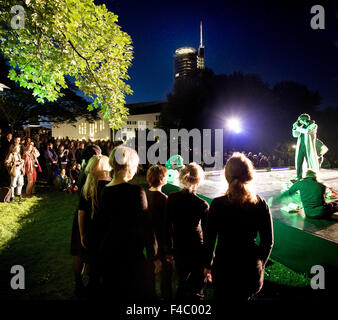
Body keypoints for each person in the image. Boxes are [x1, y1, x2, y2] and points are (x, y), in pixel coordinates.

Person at [204, 153, 274, 302]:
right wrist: (260, 264)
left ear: (227, 175)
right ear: (249, 175)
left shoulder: (217, 204)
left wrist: (207, 265)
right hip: (249, 269)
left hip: (224, 269)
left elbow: (209, 240)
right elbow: (268, 242)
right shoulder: (260, 203)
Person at [98, 146, 157, 302]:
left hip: (109, 252)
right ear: (130, 165)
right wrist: (154, 255)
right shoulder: (136, 191)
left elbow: (103, 224)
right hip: (130, 255)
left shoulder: (105, 191)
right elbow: (147, 226)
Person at [70, 155, 111, 297]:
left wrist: (81, 233)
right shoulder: (108, 186)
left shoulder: (88, 185)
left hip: (85, 225)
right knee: (93, 257)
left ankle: (83, 285)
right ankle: (94, 284)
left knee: (83, 255)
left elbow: (81, 212)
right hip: (97, 227)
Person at [166, 162, 209, 301]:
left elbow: (167, 225)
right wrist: (209, 261)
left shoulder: (172, 198)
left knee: (182, 282)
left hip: (179, 246)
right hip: (196, 247)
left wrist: (169, 249)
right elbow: (208, 235)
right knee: (196, 288)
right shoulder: (201, 204)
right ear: (198, 180)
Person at [145, 164, 172, 300]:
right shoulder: (163, 198)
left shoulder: (145, 194)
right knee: (165, 273)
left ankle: (151, 295)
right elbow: (166, 225)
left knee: (151, 270)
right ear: (162, 178)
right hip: (161, 240)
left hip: (149, 239)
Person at [268, 169, 338, 220]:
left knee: (333, 204)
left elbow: (288, 193)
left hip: (309, 214)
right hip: (322, 212)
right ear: (315, 177)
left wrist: (274, 199)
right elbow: (321, 199)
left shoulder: (300, 183)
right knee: (334, 203)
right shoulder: (321, 185)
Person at [292, 114, 319, 180]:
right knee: (298, 163)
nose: (300, 122)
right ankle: (299, 176)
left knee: (310, 163)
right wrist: (294, 128)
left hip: (308, 148)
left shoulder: (313, 125)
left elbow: (307, 131)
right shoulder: (302, 127)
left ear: (304, 120)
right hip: (301, 147)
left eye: (300, 120)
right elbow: (295, 135)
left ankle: (312, 177)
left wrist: (298, 128)